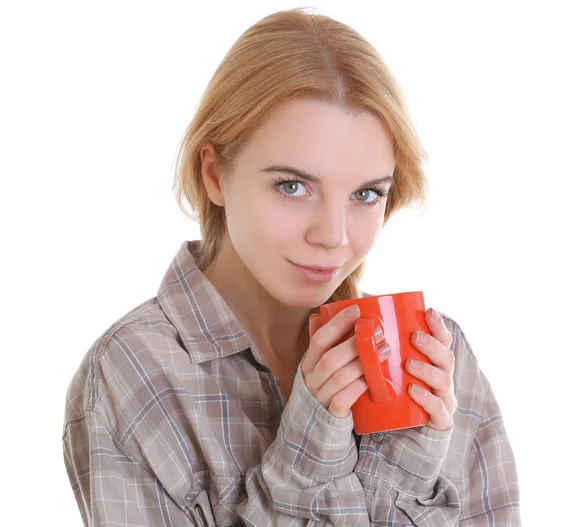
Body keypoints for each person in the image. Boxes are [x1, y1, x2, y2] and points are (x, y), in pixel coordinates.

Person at [62, 8, 520, 526]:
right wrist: (305, 465)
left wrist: (402, 464)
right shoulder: (136, 373)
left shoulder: (438, 363)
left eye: (366, 194)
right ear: (214, 174)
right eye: (292, 186)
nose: (334, 236)